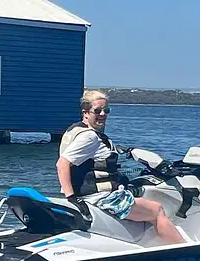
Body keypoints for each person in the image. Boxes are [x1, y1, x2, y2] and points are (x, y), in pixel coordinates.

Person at [56, 89, 184, 244]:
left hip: (87, 195)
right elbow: (62, 164)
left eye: (106, 110)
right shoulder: (90, 137)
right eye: (97, 111)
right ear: (86, 112)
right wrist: (72, 198)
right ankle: (184, 251)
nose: (103, 114)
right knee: (157, 210)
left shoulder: (74, 130)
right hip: (100, 197)